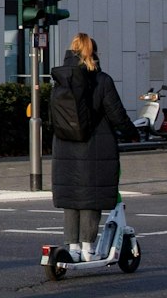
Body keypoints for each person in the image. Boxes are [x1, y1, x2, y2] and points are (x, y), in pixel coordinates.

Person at [49, 33, 141, 261]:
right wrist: (134, 133)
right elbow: (117, 114)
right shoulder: (102, 80)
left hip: (65, 146)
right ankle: (89, 248)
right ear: (94, 53)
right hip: (96, 147)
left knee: (72, 197)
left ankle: (72, 247)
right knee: (91, 196)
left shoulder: (61, 79)